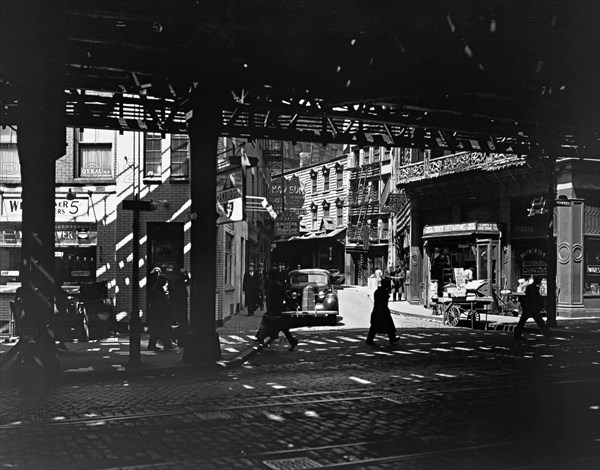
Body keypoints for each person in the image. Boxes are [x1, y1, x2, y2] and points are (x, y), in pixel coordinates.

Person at [254, 268, 299, 351]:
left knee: (267, 323)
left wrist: (291, 306)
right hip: (275, 308)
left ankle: (260, 338)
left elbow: (282, 296)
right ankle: (292, 341)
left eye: (269, 275)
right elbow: (284, 296)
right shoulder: (274, 284)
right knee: (282, 327)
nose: (267, 276)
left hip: (275, 308)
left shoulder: (274, 284)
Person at [514, 275, 553, 340]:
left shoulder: (530, 287)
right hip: (532, 307)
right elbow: (534, 298)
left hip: (529, 307)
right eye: (540, 280)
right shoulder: (533, 288)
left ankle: (517, 333)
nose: (540, 282)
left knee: (524, 321)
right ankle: (547, 333)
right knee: (539, 321)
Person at [366, 278, 401, 346]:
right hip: (382, 311)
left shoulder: (378, 291)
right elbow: (384, 301)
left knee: (377, 326)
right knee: (385, 325)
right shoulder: (383, 292)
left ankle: (392, 338)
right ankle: (391, 338)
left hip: (377, 311)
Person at [147, 272, 174, 351]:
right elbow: (160, 302)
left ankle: (155, 344)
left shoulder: (156, 288)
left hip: (155, 313)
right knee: (162, 328)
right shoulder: (158, 290)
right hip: (159, 313)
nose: (166, 283)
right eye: (165, 281)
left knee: (156, 329)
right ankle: (166, 344)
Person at [169, 269, 190, 347]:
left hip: (179, 305)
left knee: (182, 324)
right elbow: (188, 282)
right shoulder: (180, 283)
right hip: (181, 306)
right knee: (183, 324)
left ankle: (176, 338)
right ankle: (178, 339)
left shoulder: (177, 282)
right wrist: (186, 275)